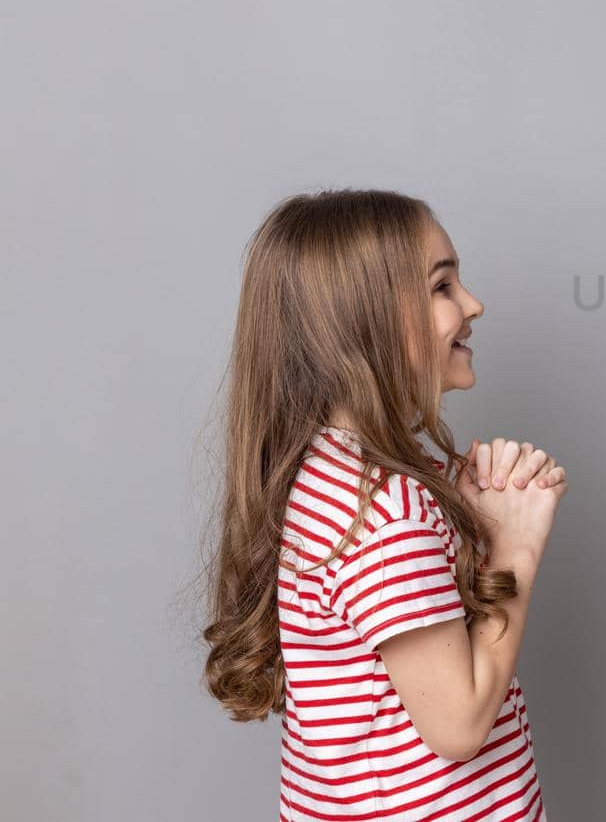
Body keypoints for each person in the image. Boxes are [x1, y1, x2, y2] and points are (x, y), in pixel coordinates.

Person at [202, 189, 566, 821]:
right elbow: (459, 725)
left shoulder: (327, 474)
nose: (473, 304)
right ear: (363, 322)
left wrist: (474, 521)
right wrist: (516, 549)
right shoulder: (386, 510)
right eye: (442, 287)